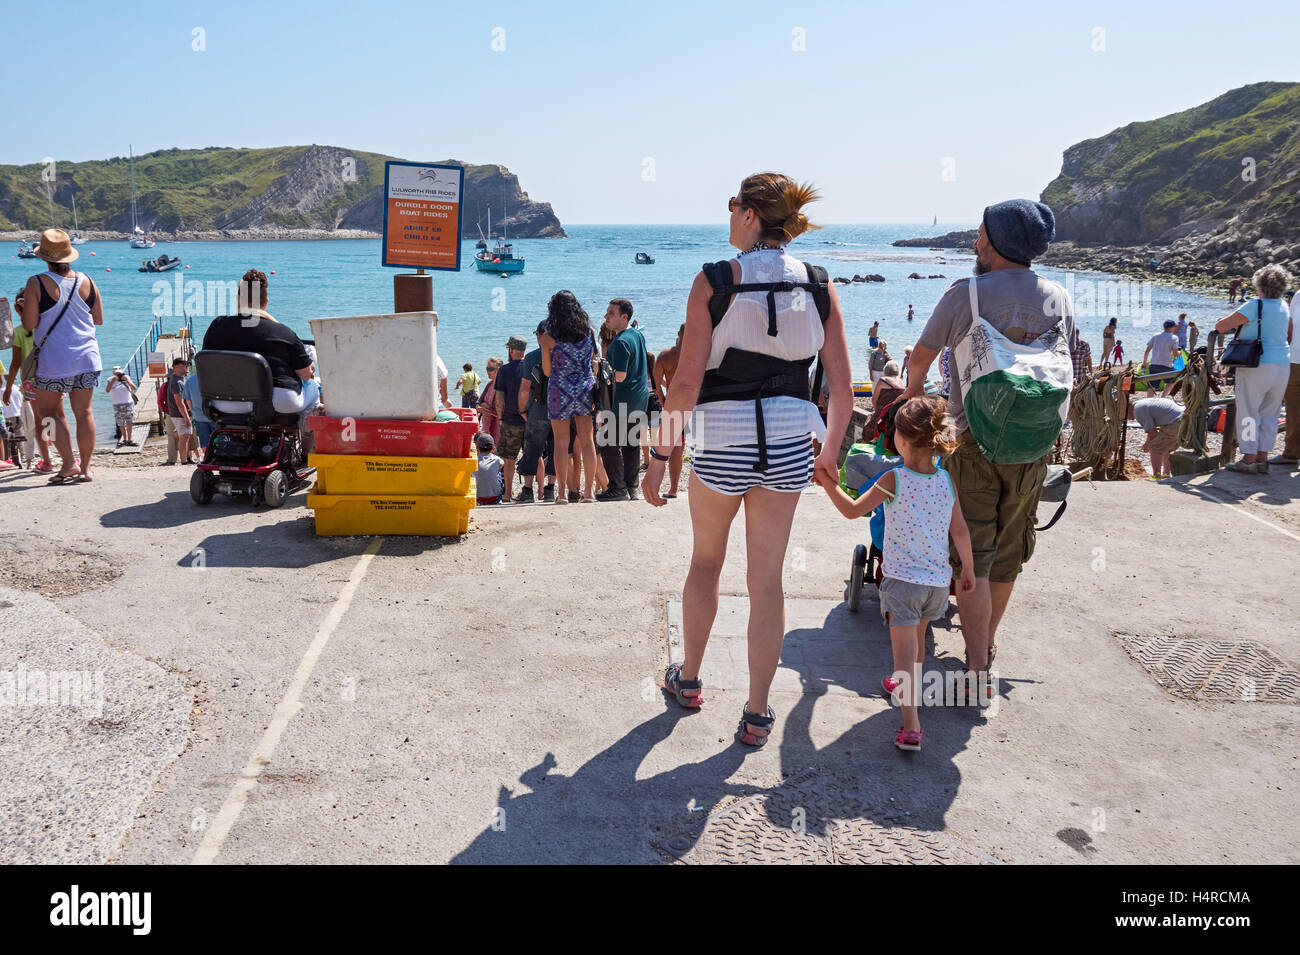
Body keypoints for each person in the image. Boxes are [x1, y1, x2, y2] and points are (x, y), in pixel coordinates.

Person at [643, 172, 852, 748]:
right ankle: (758, 715)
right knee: (766, 583)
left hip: (721, 440)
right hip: (788, 445)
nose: (729, 213)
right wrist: (830, 450)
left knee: (706, 563)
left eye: (733, 205)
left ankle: (689, 681)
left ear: (751, 215)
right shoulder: (817, 283)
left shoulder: (714, 281)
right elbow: (840, 386)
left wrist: (661, 455)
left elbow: (685, 385)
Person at [900, 198, 1084, 701]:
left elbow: (919, 358)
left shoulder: (967, 296)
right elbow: (1069, 367)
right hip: (1033, 444)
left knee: (973, 557)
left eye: (981, 234)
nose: (974, 242)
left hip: (971, 443)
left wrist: (914, 403)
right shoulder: (1058, 298)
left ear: (999, 242)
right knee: (1008, 554)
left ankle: (976, 665)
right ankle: (987, 647)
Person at [816, 396, 975, 750]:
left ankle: (911, 726)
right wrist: (968, 569)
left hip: (902, 583)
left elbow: (852, 510)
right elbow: (960, 530)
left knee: (904, 658)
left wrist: (828, 482)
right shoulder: (946, 481)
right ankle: (900, 684)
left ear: (902, 440)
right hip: (936, 583)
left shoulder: (894, 478)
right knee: (916, 646)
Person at [20, 229, 103, 484]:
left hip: (55, 360)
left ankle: (68, 464)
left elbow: (29, 324)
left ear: (44, 257)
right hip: (88, 357)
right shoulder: (87, 280)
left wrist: (22, 309)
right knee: (84, 413)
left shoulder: (36, 282)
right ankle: (86, 468)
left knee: (47, 413)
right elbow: (97, 319)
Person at [201, 269, 321, 419]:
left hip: (224, 400)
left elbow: (206, 364)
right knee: (314, 386)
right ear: (266, 302)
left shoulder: (217, 326)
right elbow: (305, 375)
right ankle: (305, 435)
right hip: (279, 401)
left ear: (238, 299)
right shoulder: (284, 332)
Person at [1215, 264, 1293, 473]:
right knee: (1271, 412)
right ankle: (1262, 458)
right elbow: (1289, 332)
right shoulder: (1284, 305)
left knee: (1249, 411)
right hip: (1282, 363)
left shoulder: (1255, 305)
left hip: (1257, 364)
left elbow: (1221, 326)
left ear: (1260, 285)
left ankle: (1248, 459)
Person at [541, 291, 599, 503]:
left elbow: (547, 371)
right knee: (587, 440)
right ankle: (589, 492)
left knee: (561, 442)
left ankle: (562, 493)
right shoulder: (588, 332)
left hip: (559, 390)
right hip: (584, 388)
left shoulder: (549, 337)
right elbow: (593, 361)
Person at [596, 298, 649, 502]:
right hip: (639, 398)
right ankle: (632, 487)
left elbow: (619, 376)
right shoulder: (637, 335)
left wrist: (601, 369)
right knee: (630, 444)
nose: (606, 316)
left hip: (621, 400)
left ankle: (617, 487)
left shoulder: (619, 343)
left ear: (624, 317)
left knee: (607, 442)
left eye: (611, 313)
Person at [3, 289, 52, 472]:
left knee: (36, 423)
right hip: (52, 377)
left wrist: (9, 388)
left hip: (30, 382)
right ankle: (57, 457)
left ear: (18, 309)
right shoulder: (47, 326)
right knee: (54, 418)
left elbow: (15, 363)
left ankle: (44, 460)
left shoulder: (18, 331)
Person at [514, 322, 557, 503]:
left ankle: (528, 490)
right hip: (559, 410)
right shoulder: (560, 355)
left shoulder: (531, 358)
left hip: (537, 410)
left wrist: (522, 409)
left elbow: (525, 388)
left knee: (532, 449)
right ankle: (550, 490)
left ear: (540, 335)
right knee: (557, 449)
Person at [652, 324, 686, 498]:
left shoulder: (665, 355)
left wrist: (662, 399)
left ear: (678, 334)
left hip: (673, 406)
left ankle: (672, 489)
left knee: (673, 449)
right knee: (690, 449)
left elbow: (656, 381)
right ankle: (676, 488)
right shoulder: (696, 355)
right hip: (696, 403)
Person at [493, 337, 527, 498]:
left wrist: (500, 418)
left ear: (511, 350)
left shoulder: (504, 370)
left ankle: (507, 494)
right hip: (530, 419)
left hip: (510, 420)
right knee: (535, 456)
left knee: (508, 459)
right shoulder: (532, 366)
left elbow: (499, 398)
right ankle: (541, 492)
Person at [1129, 395, 1182, 480]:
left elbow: (1153, 433)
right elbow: (1152, 431)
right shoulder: (1140, 404)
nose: (1127, 419)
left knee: (1155, 448)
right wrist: (1147, 442)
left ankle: (1156, 476)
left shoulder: (1137, 411)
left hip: (1175, 422)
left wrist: (1148, 445)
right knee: (1165, 448)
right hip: (1183, 419)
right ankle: (1166, 475)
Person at [1277, 292, 1299, 467]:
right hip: (1293, 360)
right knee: (1293, 408)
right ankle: (1291, 453)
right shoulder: (1299, 295)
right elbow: (1288, 326)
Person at [164, 358, 197, 465]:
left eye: (187, 365)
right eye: (183, 365)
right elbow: (179, 402)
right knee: (184, 436)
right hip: (180, 414)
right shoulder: (176, 381)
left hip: (183, 413)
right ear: (176, 367)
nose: (186, 367)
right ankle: (184, 460)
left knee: (187, 436)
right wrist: (187, 417)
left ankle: (187, 458)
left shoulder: (180, 379)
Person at [181, 364, 214, 455]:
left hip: (199, 416)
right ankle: (219, 459)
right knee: (220, 439)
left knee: (204, 441)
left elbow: (188, 400)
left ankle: (207, 459)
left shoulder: (190, 381)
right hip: (215, 415)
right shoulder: (215, 379)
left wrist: (193, 412)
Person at [105, 366, 138, 447]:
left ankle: (129, 439)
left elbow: (134, 387)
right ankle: (125, 439)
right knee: (120, 423)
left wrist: (127, 381)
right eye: (116, 373)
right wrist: (112, 382)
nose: (118, 375)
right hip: (117, 404)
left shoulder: (126, 377)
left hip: (128, 403)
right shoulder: (110, 379)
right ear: (113, 373)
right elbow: (107, 390)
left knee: (129, 421)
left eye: (119, 373)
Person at [1142, 320, 1180, 389]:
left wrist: (1144, 363)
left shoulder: (1155, 336)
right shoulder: (1174, 338)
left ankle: (1149, 399)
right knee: (1172, 382)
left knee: (1152, 386)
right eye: (1174, 327)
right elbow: (1175, 354)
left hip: (1154, 364)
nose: (1175, 328)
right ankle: (1163, 397)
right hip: (1167, 366)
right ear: (1171, 327)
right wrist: (1179, 353)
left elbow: (1147, 351)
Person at [475, 357, 503, 445]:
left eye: (491, 369)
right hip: (486, 425)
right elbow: (478, 402)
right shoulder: (490, 384)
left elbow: (503, 411)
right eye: (487, 368)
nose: (488, 371)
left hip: (497, 426)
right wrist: (479, 407)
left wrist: (487, 410)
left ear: (499, 370)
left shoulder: (503, 387)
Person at [474, 433, 505, 504]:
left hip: (478, 498)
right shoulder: (497, 460)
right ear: (493, 449)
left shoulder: (474, 460)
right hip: (494, 498)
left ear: (477, 448)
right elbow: (502, 463)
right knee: (498, 473)